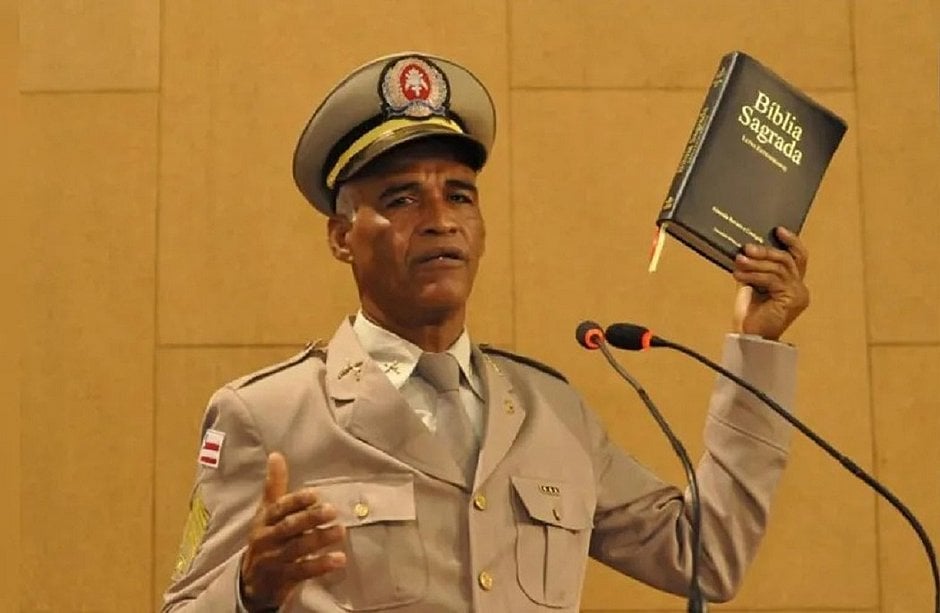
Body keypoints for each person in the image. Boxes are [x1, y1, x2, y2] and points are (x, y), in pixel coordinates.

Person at [163, 52, 809, 613]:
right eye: (401, 199)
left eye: (460, 195)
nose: (440, 219)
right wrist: (249, 589)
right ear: (341, 237)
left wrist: (758, 348)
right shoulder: (268, 415)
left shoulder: (554, 413)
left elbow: (705, 554)